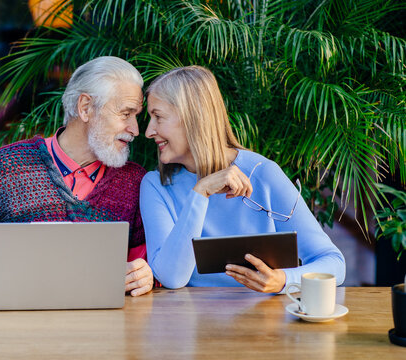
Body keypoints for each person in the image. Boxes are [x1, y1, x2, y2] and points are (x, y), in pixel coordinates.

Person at [0, 56, 154, 297]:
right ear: (85, 108)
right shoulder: (7, 167)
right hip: (13, 325)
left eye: (136, 116)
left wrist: (145, 276)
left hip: (103, 327)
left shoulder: (133, 182)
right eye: (126, 114)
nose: (135, 129)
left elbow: (140, 266)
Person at [140, 65, 346, 293]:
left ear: (192, 117)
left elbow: (333, 263)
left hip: (267, 322)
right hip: (193, 323)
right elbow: (171, 277)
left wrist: (284, 280)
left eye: (158, 117)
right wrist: (200, 193)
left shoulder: (263, 173)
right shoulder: (155, 186)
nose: (148, 131)